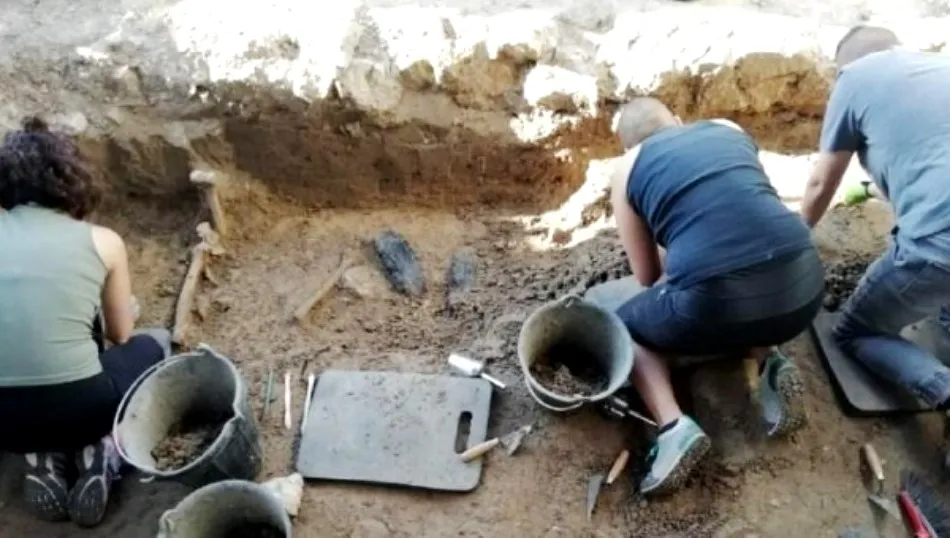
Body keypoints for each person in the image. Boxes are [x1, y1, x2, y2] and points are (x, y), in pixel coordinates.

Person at [610, 98, 825, 495]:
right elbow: (741, 208)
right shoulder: (727, 126)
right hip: (805, 285)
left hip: (719, 300)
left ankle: (673, 427)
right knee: (749, 271)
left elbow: (647, 275)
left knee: (623, 327)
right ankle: (772, 362)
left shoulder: (627, 168)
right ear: (677, 120)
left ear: (627, 147)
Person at [0, 117, 172, 527]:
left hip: (4, 423)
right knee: (155, 343)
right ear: (71, 181)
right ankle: (105, 451)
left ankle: (38, 456)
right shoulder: (103, 242)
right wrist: (125, 307)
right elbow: (121, 334)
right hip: (84, 410)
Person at [801, 26, 950, 412]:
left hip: (940, 243)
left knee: (855, 332)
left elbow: (820, 183)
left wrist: (796, 241)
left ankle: (943, 390)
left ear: (842, 68)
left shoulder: (855, 79)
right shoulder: (940, 67)